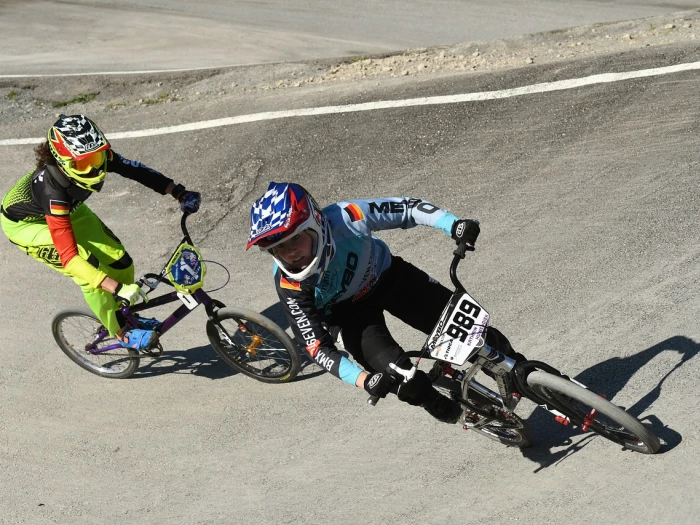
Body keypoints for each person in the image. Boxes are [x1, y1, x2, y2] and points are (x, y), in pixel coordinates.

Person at [246, 181, 518, 424]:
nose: (291, 252)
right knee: (402, 378)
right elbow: (317, 348)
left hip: (388, 277)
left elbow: (406, 208)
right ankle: (429, 399)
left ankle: (526, 374)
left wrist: (453, 224)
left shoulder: (345, 217)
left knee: (474, 335)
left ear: (316, 225)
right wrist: (365, 381)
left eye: (296, 238)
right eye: (280, 247)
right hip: (348, 316)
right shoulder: (288, 284)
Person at [1, 114, 201, 350]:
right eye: (83, 163)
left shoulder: (98, 156)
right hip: (29, 225)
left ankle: (121, 314)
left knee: (121, 262)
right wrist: (115, 288)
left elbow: (137, 171)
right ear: (62, 161)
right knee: (89, 269)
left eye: (97, 156)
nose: (95, 167)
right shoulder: (51, 192)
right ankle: (121, 331)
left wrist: (178, 192)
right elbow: (69, 258)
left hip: (70, 211)